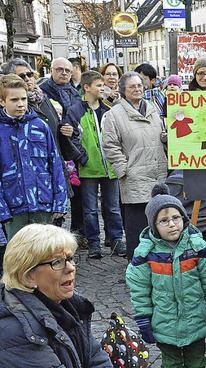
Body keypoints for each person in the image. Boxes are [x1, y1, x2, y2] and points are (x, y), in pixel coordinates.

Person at [0, 224, 157, 368]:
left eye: (71, 259)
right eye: (57, 263)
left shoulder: (63, 304)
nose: (71, 268)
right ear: (28, 275)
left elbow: (95, 359)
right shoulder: (14, 330)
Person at [127, 184, 206, 368]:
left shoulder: (197, 247)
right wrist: (144, 320)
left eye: (176, 217)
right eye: (164, 220)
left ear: (184, 219)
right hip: (165, 324)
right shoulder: (146, 254)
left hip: (196, 321)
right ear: (153, 225)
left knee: (197, 367)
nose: (172, 224)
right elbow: (140, 289)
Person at [102, 72, 167, 260]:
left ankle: (158, 259)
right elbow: (110, 145)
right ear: (123, 91)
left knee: (157, 219)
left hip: (157, 172)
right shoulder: (115, 114)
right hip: (134, 175)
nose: (137, 89)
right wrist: (123, 170)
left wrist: (165, 140)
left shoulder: (152, 109)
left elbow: (159, 134)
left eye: (139, 85)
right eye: (132, 86)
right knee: (137, 224)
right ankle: (137, 261)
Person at [64, 70, 126, 259]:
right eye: (99, 85)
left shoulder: (109, 108)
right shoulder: (75, 110)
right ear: (87, 88)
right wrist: (82, 157)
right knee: (90, 209)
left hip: (109, 167)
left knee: (113, 207)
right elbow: (72, 137)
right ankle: (93, 243)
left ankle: (116, 239)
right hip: (88, 168)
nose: (103, 88)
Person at [0, 75, 67, 240]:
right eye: (14, 100)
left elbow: (55, 163)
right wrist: (2, 209)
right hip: (14, 204)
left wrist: (60, 201)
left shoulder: (39, 126)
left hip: (42, 201)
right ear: (2, 101)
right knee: (20, 256)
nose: (21, 104)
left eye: (23, 99)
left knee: (44, 253)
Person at [40, 57, 85, 241]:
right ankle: (54, 233)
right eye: (59, 69)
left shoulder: (75, 93)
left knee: (78, 193)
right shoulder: (43, 91)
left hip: (73, 148)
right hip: (54, 149)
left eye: (67, 70)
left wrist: (75, 130)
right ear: (51, 70)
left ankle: (77, 230)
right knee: (57, 192)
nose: (64, 73)